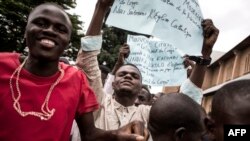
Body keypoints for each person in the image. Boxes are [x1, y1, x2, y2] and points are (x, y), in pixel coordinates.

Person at [0, 2, 148, 141]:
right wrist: (101, 7)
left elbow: (89, 134)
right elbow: (88, 57)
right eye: (40, 23)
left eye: (60, 29)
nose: (50, 31)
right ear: (26, 31)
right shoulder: (2, 65)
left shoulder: (75, 80)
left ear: (67, 41)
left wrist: (116, 135)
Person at [76, 0, 219, 131]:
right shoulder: (98, 102)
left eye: (134, 76)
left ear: (140, 88)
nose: (127, 76)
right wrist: (101, 7)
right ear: (112, 83)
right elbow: (87, 59)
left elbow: (186, 103)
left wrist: (205, 54)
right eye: (122, 74)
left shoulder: (150, 114)